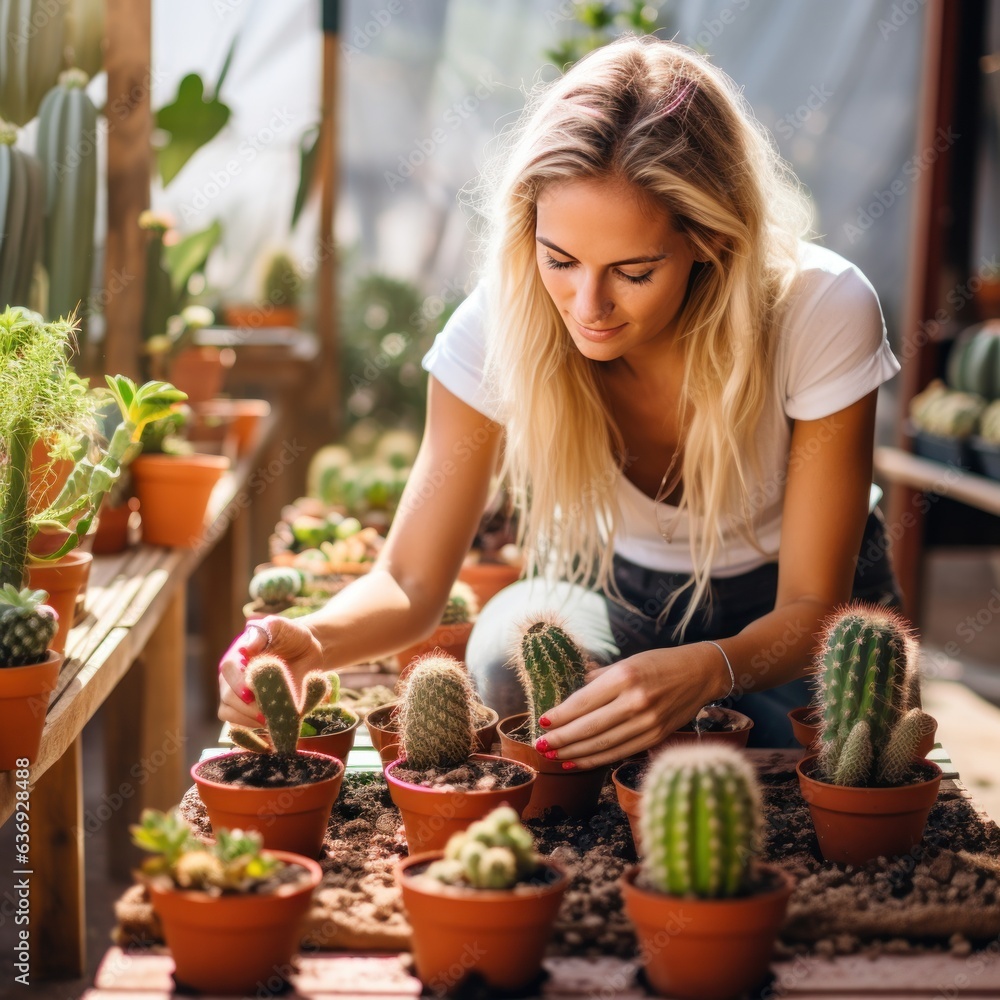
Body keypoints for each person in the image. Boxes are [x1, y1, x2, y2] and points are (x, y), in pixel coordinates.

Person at [219, 37, 903, 763]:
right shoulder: (498, 323)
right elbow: (410, 579)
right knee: (505, 675)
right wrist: (311, 639)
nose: (588, 306)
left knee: (834, 760)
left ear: (709, 239)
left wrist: (711, 669)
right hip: (621, 594)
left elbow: (811, 602)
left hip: (794, 620)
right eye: (560, 261)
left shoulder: (820, 308)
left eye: (633, 271)